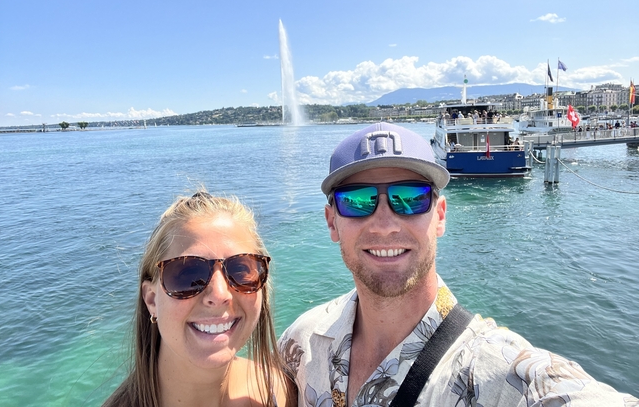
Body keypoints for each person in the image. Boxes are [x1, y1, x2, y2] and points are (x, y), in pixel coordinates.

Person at [278, 122, 637, 406]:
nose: (385, 223)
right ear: (331, 222)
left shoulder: (494, 371)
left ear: (440, 216)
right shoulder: (302, 342)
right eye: (358, 201)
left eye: (410, 199)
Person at [104, 191, 294, 407]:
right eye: (188, 274)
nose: (219, 294)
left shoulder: (279, 391)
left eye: (241, 270)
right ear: (151, 300)